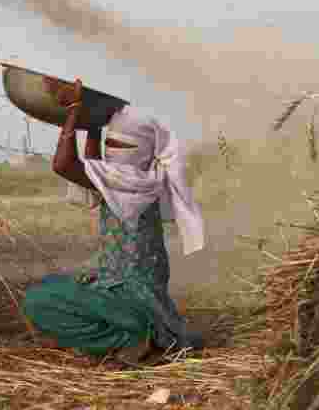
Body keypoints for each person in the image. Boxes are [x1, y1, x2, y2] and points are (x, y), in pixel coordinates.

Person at [22, 79, 206, 363]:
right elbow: (94, 166)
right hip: (120, 291)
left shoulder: (135, 181)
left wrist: (73, 110)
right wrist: (92, 123)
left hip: (133, 301)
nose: (111, 151)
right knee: (50, 286)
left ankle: (132, 339)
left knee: (38, 301)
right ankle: (128, 335)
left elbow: (64, 165)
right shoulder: (132, 179)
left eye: (119, 144)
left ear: (142, 149)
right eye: (110, 143)